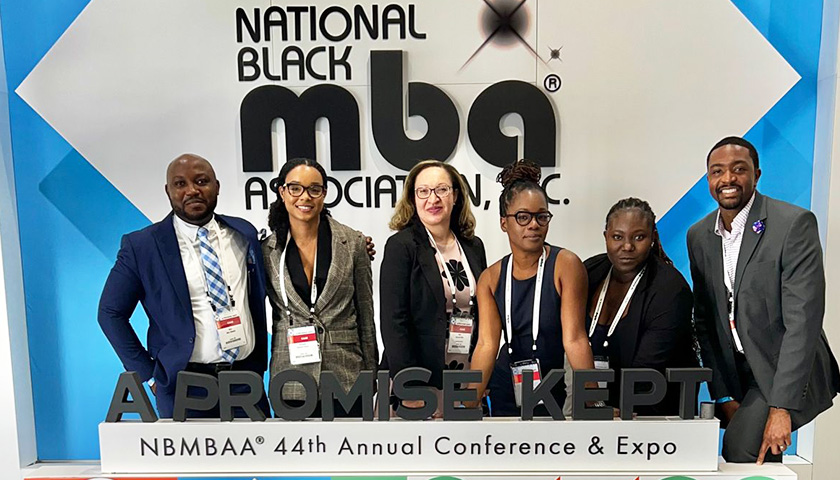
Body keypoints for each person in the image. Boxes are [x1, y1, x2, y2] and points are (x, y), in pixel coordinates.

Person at [688, 136, 840, 463]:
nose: (727, 179)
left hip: (784, 369)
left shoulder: (793, 224)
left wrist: (781, 408)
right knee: (755, 453)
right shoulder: (698, 236)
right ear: (708, 180)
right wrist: (722, 393)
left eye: (738, 169)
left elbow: (803, 322)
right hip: (739, 372)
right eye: (717, 171)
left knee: (740, 447)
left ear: (757, 175)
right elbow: (705, 320)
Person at [98, 154, 270, 418]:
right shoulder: (142, 246)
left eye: (201, 181)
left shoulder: (243, 233)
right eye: (180, 184)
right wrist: (148, 374)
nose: (192, 190)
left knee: (257, 458)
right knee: (189, 461)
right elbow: (110, 313)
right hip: (184, 385)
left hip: (245, 380)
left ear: (217, 186)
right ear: (168, 191)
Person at [469, 159, 595, 416]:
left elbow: (575, 339)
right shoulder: (490, 278)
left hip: (555, 386)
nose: (534, 225)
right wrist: (464, 403)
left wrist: (593, 401)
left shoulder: (565, 265)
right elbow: (486, 344)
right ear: (505, 222)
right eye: (523, 217)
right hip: (508, 385)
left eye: (541, 216)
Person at [262, 158, 377, 416]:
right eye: (295, 188)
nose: (305, 196)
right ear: (282, 192)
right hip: (289, 379)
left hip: (347, 376)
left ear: (324, 193)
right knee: (296, 455)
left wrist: (372, 374)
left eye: (315, 189)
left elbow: (366, 315)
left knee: (352, 453)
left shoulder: (353, 243)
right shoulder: (266, 250)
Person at [380, 160, 487, 415]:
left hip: (464, 375)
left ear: (456, 196)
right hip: (418, 380)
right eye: (424, 191)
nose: (433, 199)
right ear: (413, 199)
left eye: (442, 190)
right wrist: (410, 386)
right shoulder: (401, 247)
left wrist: (481, 375)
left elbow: (481, 312)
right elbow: (394, 321)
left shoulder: (473, 246)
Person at [584, 197, 697, 416]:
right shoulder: (590, 272)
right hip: (596, 410)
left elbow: (646, 371)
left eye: (639, 237)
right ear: (605, 236)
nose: (627, 246)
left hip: (653, 416)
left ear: (653, 238)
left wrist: (605, 409)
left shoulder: (670, 290)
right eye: (617, 237)